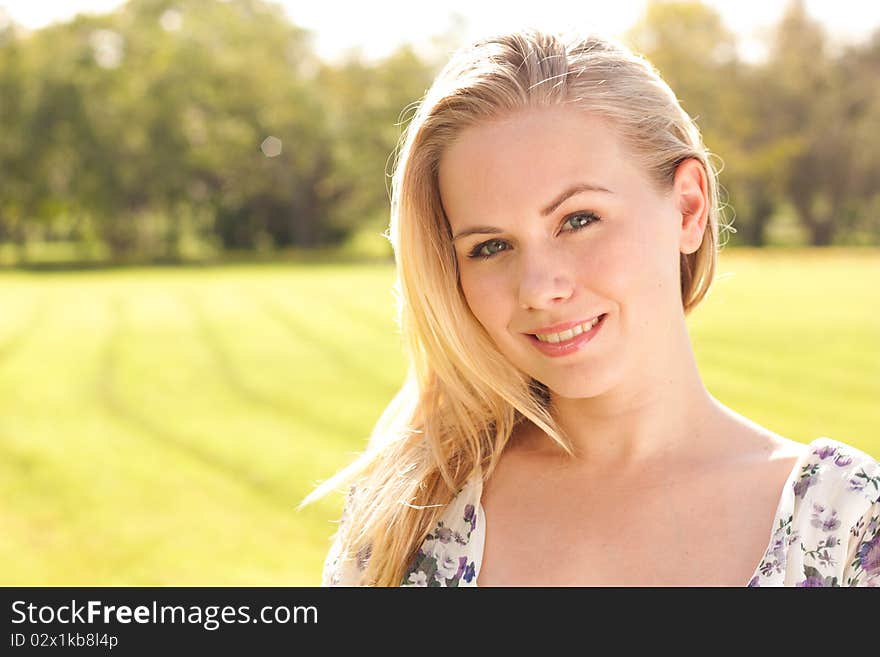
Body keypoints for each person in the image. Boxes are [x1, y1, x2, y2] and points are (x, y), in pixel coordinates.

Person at [298, 27, 880, 587]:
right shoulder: (406, 519)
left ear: (687, 207)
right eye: (491, 246)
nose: (538, 288)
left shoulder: (848, 524)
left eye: (578, 220)